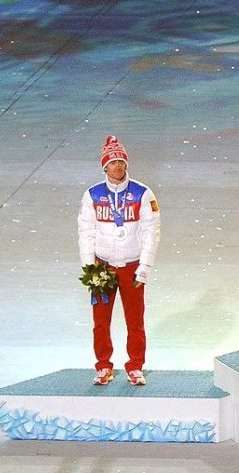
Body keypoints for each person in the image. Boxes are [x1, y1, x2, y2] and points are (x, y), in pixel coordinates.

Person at [77, 136, 161, 385]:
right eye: (112, 162)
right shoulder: (92, 195)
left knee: (135, 320)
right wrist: (89, 267)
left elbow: (151, 232)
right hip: (102, 268)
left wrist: (144, 266)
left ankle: (135, 365)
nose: (117, 167)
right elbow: (86, 232)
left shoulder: (142, 193)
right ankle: (103, 366)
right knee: (100, 321)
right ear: (104, 166)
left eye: (121, 162)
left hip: (132, 267)